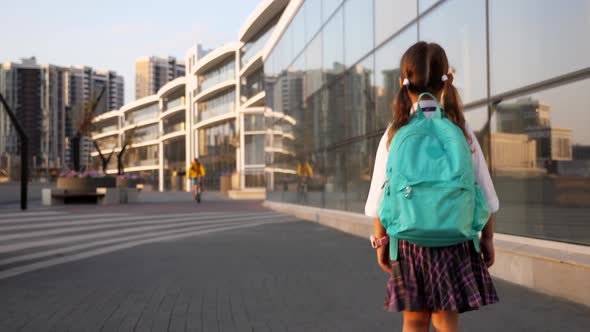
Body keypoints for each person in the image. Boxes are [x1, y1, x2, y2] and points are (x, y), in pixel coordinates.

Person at [364, 42, 500, 332]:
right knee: (445, 317)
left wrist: (381, 242)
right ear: (447, 81)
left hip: (409, 242)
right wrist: (487, 238)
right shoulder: (460, 129)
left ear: (403, 83)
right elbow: (484, 192)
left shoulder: (395, 132)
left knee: (413, 318)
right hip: (455, 239)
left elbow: (379, 195)